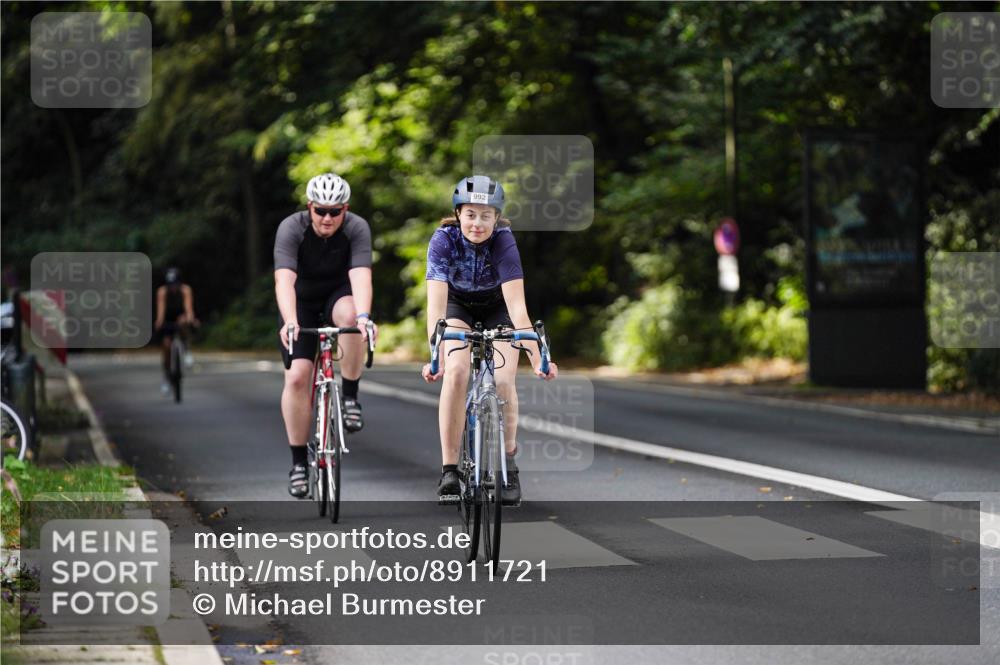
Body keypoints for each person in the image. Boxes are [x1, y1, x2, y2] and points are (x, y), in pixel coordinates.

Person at [421, 175, 557, 506]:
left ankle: (508, 462)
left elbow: (518, 309)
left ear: (497, 218)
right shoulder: (443, 239)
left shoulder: (504, 242)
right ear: (458, 214)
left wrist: (538, 357)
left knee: (503, 380)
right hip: (457, 307)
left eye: (486, 215)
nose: (477, 223)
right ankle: (450, 469)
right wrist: (435, 355)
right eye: (470, 214)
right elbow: (436, 309)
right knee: (456, 374)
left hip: (499, 308)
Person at [274, 173, 377, 498]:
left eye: (336, 211)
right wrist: (290, 320)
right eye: (321, 211)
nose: (328, 218)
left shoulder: (356, 228)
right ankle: (298, 463)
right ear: (310, 207)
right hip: (301, 301)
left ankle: (349, 397)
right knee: (297, 378)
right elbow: (284, 281)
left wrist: (363, 317)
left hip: (338, 294)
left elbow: (361, 276)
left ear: (345, 209)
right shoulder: (291, 228)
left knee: (350, 318)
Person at [154, 267, 198, 393]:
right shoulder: (162, 292)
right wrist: (159, 322)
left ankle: (186, 349)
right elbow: (161, 311)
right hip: (168, 318)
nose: (173, 287)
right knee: (166, 347)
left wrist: (190, 318)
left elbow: (188, 308)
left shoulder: (185, 290)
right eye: (170, 285)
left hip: (180, 316)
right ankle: (167, 376)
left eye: (175, 284)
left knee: (184, 322)